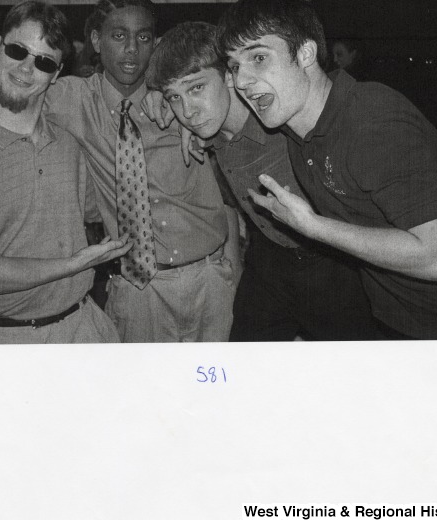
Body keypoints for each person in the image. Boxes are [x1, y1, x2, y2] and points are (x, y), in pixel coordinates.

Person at [0, 0, 239, 344]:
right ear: (96, 40)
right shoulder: (70, 98)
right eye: (118, 36)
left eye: (143, 37)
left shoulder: (179, 101)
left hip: (210, 279)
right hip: (139, 289)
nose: (131, 49)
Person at [215, 0, 437, 340]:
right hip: (404, 325)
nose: (242, 81)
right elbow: (224, 118)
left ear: (306, 53)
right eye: (234, 66)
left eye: (259, 58)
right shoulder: (298, 130)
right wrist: (183, 124)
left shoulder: (372, 122)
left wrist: (314, 227)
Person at [144, 22, 387, 341]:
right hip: (269, 258)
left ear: (230, 76)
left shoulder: (282, 119)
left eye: (196, 88)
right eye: (174, 98)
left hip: (333, 264)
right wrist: (161, 97)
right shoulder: (208, 125)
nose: (187, 110)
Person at [0, 0, 132, 344]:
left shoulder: (69, 141)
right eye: (18, 51)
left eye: (44, 62)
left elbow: (101, 206)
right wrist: (75, 263)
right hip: (1, 339)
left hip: (84, 328)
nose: (26, 69)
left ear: (57, 73)